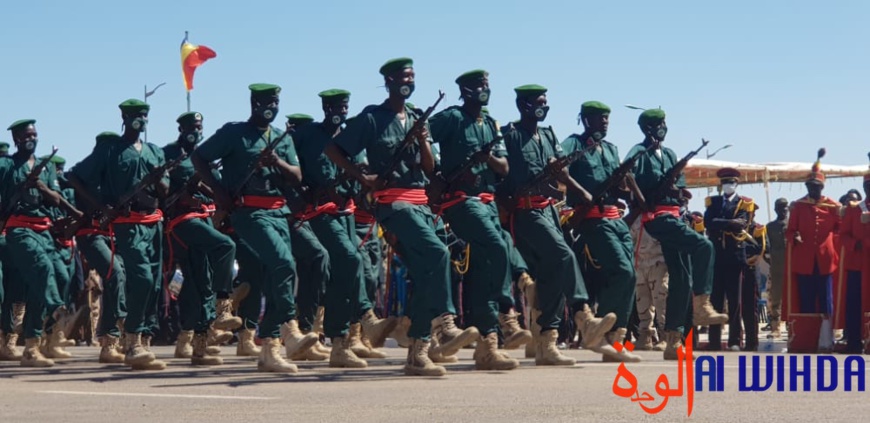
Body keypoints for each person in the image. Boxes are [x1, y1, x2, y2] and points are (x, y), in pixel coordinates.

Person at [326, 57, 477, 377]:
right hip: (393, 205)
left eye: (412, 76)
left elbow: (429, 168)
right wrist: (363, 178)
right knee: (436, 254)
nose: (408, 81)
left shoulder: (417, 118)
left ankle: (418, 344)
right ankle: (442, 326)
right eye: (402, 77)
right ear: (389, 82)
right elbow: (334, 150)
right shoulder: (372, 118)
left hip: (421, 205)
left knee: (428, 270)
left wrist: (422, 139)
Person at [193, 83, 319, 373]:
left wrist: (276, 162)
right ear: (253, 102)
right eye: (265, 101)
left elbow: (297, 176)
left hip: (278, 213)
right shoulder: (234, 133)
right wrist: (219, 192)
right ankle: (289, 330)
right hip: (249, 212)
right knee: (284, 263)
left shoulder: (281, 138)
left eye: (275, 101)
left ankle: (270, 348)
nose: (271, 106)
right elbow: (199, 157)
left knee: (280, 273)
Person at [499, 84, 614, 366]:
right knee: (564, 256)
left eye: (545, 101)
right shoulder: (510, 135)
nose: (543, 106)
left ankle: (546, 344)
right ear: (523, 105)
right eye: (538, 101)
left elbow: (557, 169)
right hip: (525, 214)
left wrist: (574, 189)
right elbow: (502, 178)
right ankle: (583, 316)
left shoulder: (548, 135)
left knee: (552, 274)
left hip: (549, 212)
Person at [429, 69, 530, 370]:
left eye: (485, 84)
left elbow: (504, 168)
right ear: (463, 90)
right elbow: (421, 140)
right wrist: (437, 173)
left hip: (486, 202)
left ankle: (488, 346)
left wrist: (484, 159)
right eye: (475, 85)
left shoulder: (491, 124)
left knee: (493, 256)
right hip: (460, 201)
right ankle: (505, 313)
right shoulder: (451, 118)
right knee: (497, 247)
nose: (482, 89)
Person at [295, 90, 398, 368]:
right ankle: (361, 322)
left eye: (342, 105)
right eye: (331, 106)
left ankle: (347, 340)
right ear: (323, 107)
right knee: (348, 259)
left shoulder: (353, 138)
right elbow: (291, 171)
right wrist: (303, 192)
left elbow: (361, 177)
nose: (337, 110)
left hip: (347, 212)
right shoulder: (307, 135)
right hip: (318, 212)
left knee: (352, 269)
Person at [67, 100, 169, 370]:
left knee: (153, 284)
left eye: (145, 115)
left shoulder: (155, 151)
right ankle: (131, 339)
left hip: (153, 224)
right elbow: (74, 176)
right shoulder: (110, 151)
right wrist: (101, 206)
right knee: (137, 277)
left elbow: (165, 192)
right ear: (124, 117)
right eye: (136, 115)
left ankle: (135, 340)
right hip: (126, 225)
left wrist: (157, 178)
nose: (141, 120)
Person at [626, 108, 727, 360]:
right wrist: (643, 200)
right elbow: (627, 176)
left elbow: (680, 187)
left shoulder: (670, 154)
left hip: (674, 216)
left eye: (664, 123)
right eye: (658, 123)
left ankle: (673, 341)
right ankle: (702, 305)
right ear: (647, 127)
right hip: (655, 217)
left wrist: (676, 190)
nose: (663, 127)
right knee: (705, 247)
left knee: (682, 278)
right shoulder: (638, 152)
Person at [561, 101, 640, 362]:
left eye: (606, 118)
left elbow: (618, 192)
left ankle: (616, 339)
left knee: (629, 276)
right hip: (593, 220)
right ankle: (602, 332)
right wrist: (581, 193)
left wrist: (625, 185)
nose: (604, 122)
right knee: (622, 270)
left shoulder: (610, 149)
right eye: (599, 118)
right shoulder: (574, 144)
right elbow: (560, 169)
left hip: (615, 219)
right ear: (585, 120)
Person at [163, 111, 240, 366]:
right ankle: (223, 306)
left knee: (201, 283)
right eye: (191, 127)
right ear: (181, 129)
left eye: (199, 126)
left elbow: (213, 186)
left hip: (205, 220)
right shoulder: (169, 154)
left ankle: (198, 346)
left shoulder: (205, 156)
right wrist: (180, 195)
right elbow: (161, 190)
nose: (195, 131)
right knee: (222, 248)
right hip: (182, 223)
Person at [0, 119, 77, 367]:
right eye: (25, 136)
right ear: (16, 140)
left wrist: (40, 186)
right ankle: (56, 308)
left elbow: (55, 199)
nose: (30, 139)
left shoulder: (46, 168)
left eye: (33, 134)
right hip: (19, 229)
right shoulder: (6, 165)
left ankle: (34, 344)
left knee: (60, 276)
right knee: (42, 268)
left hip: (44, 230)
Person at [69, 132, 127, 363]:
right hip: (90, 234)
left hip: (112, 234)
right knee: (116, 272)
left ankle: (109, 339)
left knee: (120, 276)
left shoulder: (114, 175)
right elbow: (71, 176)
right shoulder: (87, 170)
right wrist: (98, 206)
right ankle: (115, 332)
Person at [784, 150, 840, 353]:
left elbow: (842, 228)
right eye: (810, 186)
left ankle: (826, 341)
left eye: (816, 187)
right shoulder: (799, 206)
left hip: (825, 261)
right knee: (806, 300)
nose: (813, 190)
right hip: (804, 261)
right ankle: (807, 339)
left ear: (822, 187)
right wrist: (795, 237)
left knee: (826, 302)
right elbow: (789, 231)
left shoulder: (833, 207)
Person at [704, 168, 759, 351]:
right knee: (715, 301)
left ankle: (735, 340)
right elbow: (708, 223)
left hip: (735, 258)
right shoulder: (714, 202)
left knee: (735, 301)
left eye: (731, 182)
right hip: (717, 256)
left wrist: (721, 224)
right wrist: (729, 223)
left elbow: (742, 224)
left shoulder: (744, 203)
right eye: (725, 182)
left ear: (737, 184)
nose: (728, 185)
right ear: (721, 185)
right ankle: (714, 340)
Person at [837, 167, 870, 353]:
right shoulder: (854, 210)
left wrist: (865, 241)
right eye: (867, 186)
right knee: (854, 304)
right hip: (858, 264)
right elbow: (843, 235)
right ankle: (855, 341)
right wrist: (853, 244)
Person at [765, 198, 789, 339]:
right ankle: (775, 327)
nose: (783, 210)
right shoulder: (770, 227)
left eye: (785, 207)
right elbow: (766, 246)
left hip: (792, 265)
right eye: (780, 207)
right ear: (775, 209)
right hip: (776, 266)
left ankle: (791, 326)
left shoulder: (793, 225)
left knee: (792, 297)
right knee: (776, 297)